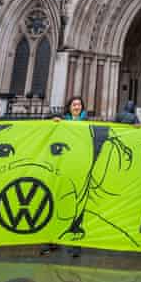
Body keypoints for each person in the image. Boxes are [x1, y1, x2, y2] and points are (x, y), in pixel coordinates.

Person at [42, 96, 87, 258]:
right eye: (74, 104)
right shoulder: (60, 120)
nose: (76, 107)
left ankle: (76, 242)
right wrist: (52, 122)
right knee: (56, 200)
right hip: (61, 167)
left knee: (77, 203)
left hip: (78, 167)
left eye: (79, 105)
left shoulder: (87, 122)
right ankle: (51, 239)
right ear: (69, 107)